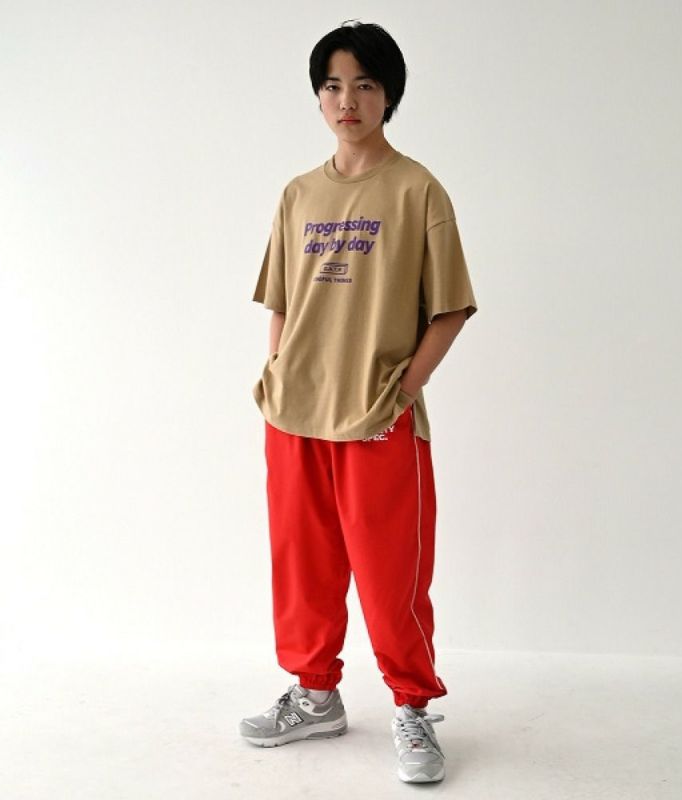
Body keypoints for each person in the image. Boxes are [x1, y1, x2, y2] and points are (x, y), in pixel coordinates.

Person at [239, 20, 478, 785]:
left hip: (377, 418)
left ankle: (413, 707)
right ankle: (315, 695)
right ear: (319, 97)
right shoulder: (298, 194)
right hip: (295, 414)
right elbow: (282, 299)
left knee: (390, 574)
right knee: (302, 565)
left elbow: (450, 309)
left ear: (389, 96)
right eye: (334, 85)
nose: (348, 100)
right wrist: (277, 375)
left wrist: (402, 394)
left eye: (365, 85)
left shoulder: (418, 191)